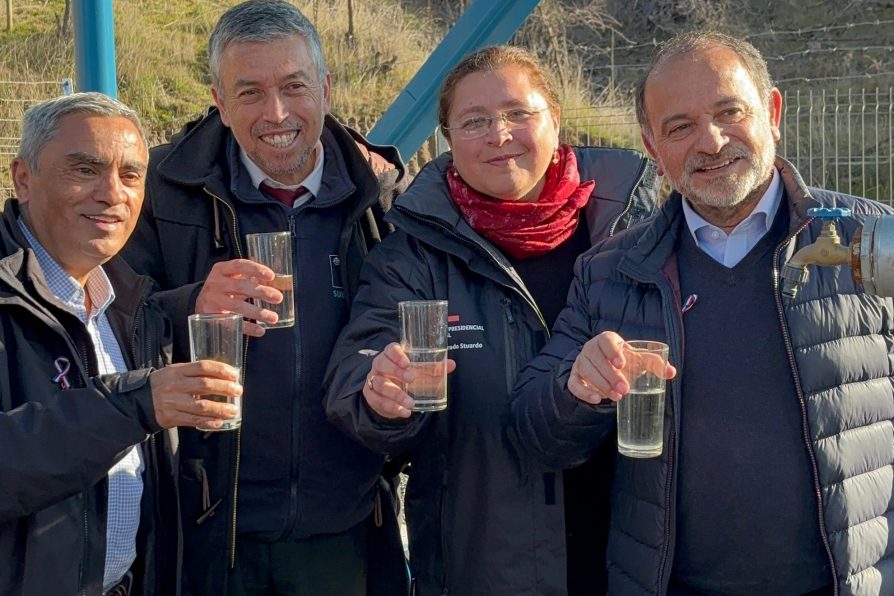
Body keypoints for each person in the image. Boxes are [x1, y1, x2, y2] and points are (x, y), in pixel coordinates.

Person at [511, 31, 894, 595]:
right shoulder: (610, 271)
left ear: (773, 111)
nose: (712, 142)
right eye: (680, 127)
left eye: (729, 112)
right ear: (652, 147)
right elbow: (536, 429)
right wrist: (577, 389)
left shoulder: (874, 242)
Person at [324, 45, 659, 595]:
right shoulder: (413, 255)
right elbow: (356, 372)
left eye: (517, 114)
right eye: (474, 121)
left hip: (633, 557)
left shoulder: (636, 230)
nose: (498, 135)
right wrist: (379, 393)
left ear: (555, 118)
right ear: (448, 141)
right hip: (482, 562)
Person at [119, 2, 409, 595]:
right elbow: (105, 324)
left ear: (325, 89)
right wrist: (190, 304)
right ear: (219, 103)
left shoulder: (385, 195)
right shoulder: (158, 191)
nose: (275, 113)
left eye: (293, 86)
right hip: (208, 534)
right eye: (249, 92)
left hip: (346, 526)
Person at [1, 92, 242, 596]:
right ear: (24, 178)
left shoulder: (133, 307)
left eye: (131, 175)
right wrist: (135, 404)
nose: (112, 193)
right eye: (85, 169)